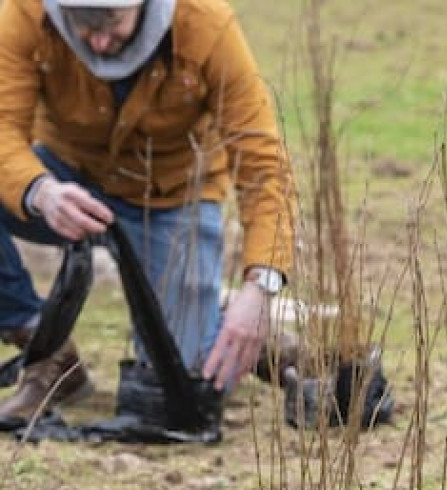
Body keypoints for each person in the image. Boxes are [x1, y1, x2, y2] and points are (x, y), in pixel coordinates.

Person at [0, 0, 294, 420]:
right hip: (67, 181)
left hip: (171, 198)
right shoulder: (25, 13)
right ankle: (45, 351)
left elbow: (263, 165)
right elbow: (3, 128)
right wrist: (41, 191)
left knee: (184, 383)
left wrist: (261, 286)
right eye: (81, 21)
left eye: (110, 20)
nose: (97, 39)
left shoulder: (207, 25)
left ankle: (242, 331)